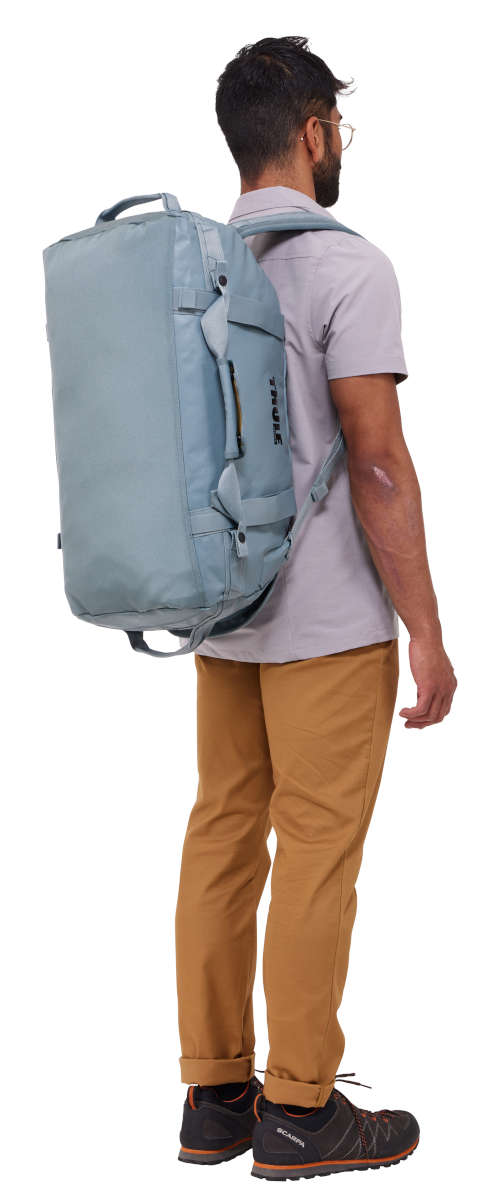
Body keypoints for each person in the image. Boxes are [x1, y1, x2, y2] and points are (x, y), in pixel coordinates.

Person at [175, 36, 457, 1180]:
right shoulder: (349, 269)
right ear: (311, 131)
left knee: (221, 835)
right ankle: (298, 1109)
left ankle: (213, 1096)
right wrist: (425, 631)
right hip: (327, 622)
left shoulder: (191, 269)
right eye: (335, 124)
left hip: (219, 609)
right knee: (316, 853)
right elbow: (376, 462)